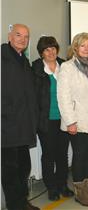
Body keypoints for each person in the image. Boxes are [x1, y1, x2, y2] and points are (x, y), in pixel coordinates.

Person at [57, 32, 88, 206]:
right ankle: (79, 192)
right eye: (82, 45)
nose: (86, 48)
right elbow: (63, 96)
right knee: (80, 155)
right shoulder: (68, 67)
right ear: (75, 47)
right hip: (76, 120)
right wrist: (70, 121)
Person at [1, 24, 40, 210]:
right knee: (10, 171)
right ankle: (14, 206)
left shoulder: (23, 60)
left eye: (26, 36)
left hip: (24, 125)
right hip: (7, 127)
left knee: (24, 167)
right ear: (9, 36)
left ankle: (23, 201)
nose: (22, 39)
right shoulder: (2, 57)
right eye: (18, 35)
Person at [32, 36, 74, 201]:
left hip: (64, 119)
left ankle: (62, 184)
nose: (51, 52)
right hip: (46, 120)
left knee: (62, 154)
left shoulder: (65, 66)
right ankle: (51, 187)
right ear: (41, 53)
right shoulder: (35, 69)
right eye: (47, 49)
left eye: (53, 48)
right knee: (48, 155)